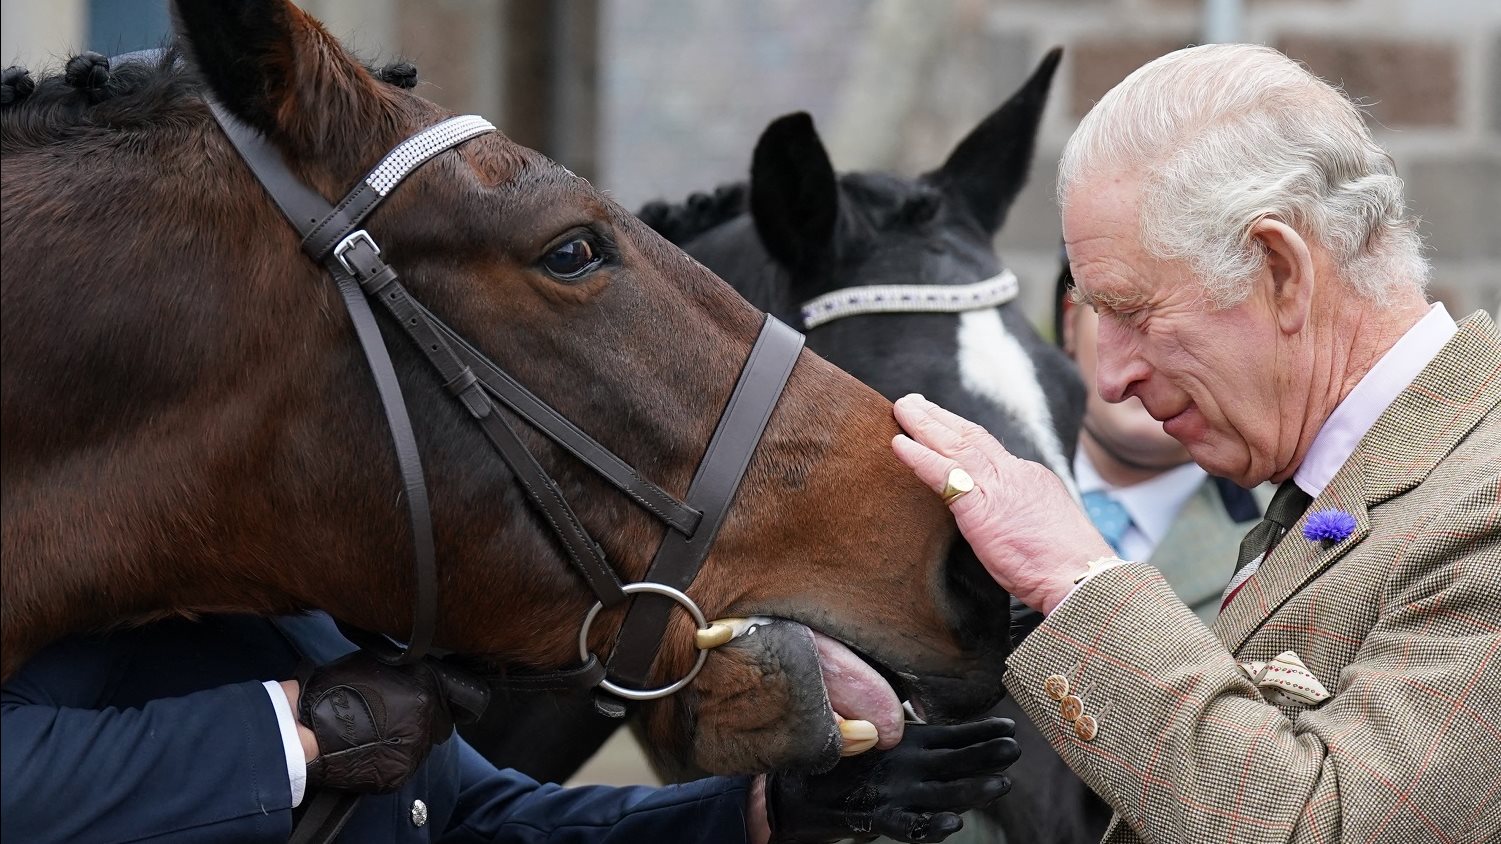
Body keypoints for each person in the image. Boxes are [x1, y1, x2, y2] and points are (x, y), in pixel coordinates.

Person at [891, 43, 1501, 843]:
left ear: (1280, 268)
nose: (1109, 380)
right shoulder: (1345, 489)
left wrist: (1076, 578)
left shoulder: (1479, 498)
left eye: (1134, 313)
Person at [1, 610, 1019, 843]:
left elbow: (489, 820)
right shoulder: (72, 577)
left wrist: (765, 810)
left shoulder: (298, 605)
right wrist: (308, 731)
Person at [1056, 261, 1269, 623]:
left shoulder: (1292, 538)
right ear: (1070, 324)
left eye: (1201, 317)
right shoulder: (973, 494)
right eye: (1123, 310)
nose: (1148, 356)